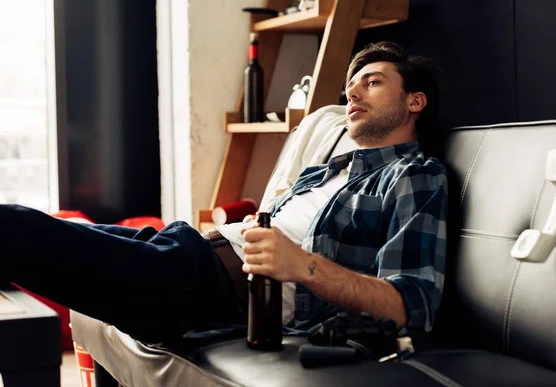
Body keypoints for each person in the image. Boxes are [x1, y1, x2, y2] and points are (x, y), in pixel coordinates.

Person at [0, 41, 446, 343]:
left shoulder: (416, 175)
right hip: (185, 248)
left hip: (208, 287)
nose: (351, 93)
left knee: (13, 228)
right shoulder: (330, 169)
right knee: (31, 231)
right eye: (350, 85)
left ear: (414, 101)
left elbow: (414, 303)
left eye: (372, 81)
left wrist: (304, 266)